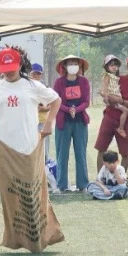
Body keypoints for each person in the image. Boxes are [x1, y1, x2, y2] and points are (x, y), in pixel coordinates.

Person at [0, 46, 63, 253]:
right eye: (4, 68)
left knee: (32, 193)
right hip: (4, 147)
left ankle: (39, 237)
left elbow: (56, 100)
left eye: (12, 67)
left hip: (30, 146)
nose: (8, 71)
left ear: (20, 65)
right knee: (11, 194)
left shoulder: (32, 85)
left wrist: (50, 122)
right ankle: (15, 238)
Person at [93, 55, 128, 174]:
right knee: (101, 148)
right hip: (109, 117)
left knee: (124, 152)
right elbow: (106, 90)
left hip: (125, 122)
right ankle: (100, 178)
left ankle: (120, 178)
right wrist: (107, 97)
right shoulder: (118, 79)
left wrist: (120, 101)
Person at [53, 54, 90, 192]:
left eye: (75, 63)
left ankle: (83, 184)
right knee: (62, 154)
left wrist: (76, 109)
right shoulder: (59, 82)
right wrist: (68, 110)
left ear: (79, 66)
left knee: (81, 153)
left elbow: (86, 101)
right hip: (63, 122)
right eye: (70, 63)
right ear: (64, 66)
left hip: (80, 121)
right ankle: (61, 185)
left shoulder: (84, 82)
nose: (73, 65)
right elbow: (55, 101)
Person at [99, 55, 128, 138]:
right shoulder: (107, 76)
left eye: (116, 65)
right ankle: (121, 128)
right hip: (111, 97)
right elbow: (104, 86)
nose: (114, 67)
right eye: (111, 65)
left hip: (116, 97)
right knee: (125, 110)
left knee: (125, 110)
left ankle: (120, 127)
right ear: (106, 66)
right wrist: (105, 97)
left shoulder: (115, 77)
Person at [30, 63, 52, 160]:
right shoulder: (26, 88)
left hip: (42, 122)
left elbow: (51, 105)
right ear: (30, 74)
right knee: (31, 150)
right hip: (30, 122)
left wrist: (42, 108)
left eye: (38, 74)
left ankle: (45, 171)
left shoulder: (45, 88)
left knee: (44, 151)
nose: (36, 76)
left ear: (41, 75)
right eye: (34, 74)